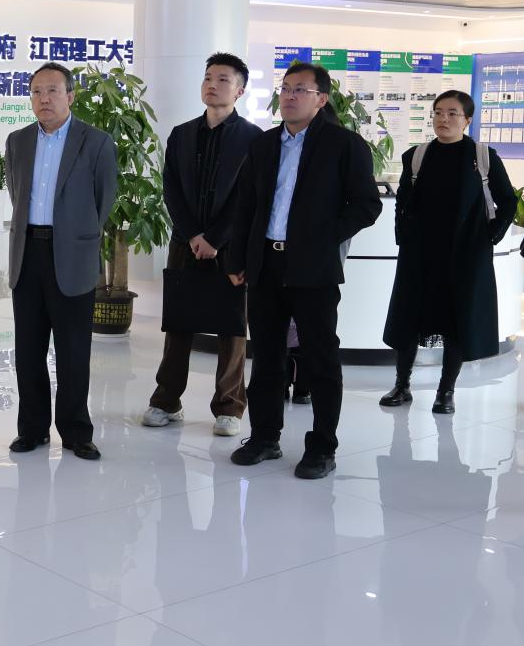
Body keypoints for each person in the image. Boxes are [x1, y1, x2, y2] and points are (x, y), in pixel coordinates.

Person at [226, 61, 382, 479]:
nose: (290, 96)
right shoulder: (264, 144)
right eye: (286, 88)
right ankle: (264, 437)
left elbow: (367, 205)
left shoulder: (344, 144)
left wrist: (324, 238)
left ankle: (322, 447)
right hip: (266, 263)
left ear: (321, 99)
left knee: (320, 358)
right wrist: (237, 260)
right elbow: (245, 206)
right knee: (267, 356)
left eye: (301, 90)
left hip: (314, 266)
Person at [144, 53, 262, 437]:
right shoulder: (181, 134)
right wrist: (194, 233)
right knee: (178, 322)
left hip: (231, 246)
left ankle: (229, 406)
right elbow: (171, 188)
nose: (212, 84)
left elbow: (248, 197)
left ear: (240, 91)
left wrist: (216, 238)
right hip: (186, 242)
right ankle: (166, 401)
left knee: (232, 327)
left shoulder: (254, 139)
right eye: (208, 77)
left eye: (223, 79)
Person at [5, 61, 117, 460]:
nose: (44, 99)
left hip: (72, 254)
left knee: (73, 351)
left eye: (52, 90)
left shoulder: (96, 142)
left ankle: (75, 431)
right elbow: (17, 193)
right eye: (36, 91)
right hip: (27, 254)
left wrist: (75, 234)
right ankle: (32, 429)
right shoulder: (17, 141)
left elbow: (103, 199)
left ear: (70, 96)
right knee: (28, 350)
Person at [381, 90, 516, 414]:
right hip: (420, 256)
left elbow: (507, 201)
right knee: (409, 319)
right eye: (438, 112)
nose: (443, 119)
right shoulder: (417, 156)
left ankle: (446, 391)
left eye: (452, 113)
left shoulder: (482, 157)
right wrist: (403, 239)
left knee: (456, 321)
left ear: (467, 120)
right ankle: (402, 385)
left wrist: (489, 238)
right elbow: (403, 202)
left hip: (464, 257)